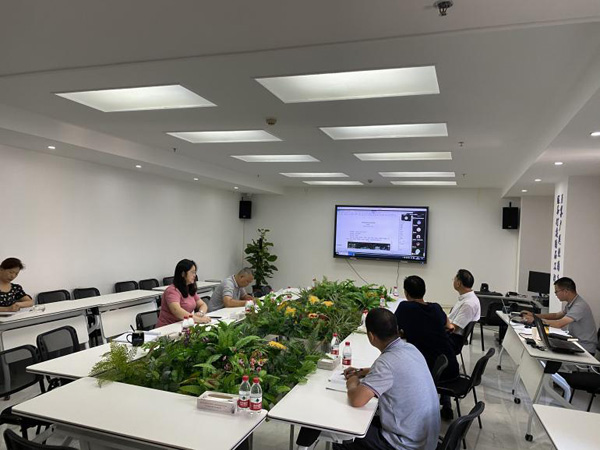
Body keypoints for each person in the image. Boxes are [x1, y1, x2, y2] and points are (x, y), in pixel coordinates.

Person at [333, 308, 440, 450]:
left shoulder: (385, 363)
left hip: (404, 444)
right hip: (425, 439)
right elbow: (397, 371)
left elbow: (357, 400)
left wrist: (352, 383)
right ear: (396, 329)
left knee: (342, 433)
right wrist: (361, 372)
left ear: (371, 336)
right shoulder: (410, 348)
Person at [395, 275, 460, 381]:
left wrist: (404, 332)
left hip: (431, 373)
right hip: (451, 366)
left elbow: (393, 332)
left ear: (406, 293)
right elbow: (449, 326)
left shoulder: (405, 307)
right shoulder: (436, 307)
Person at [521, 277, 598, 354]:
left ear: (565, 291)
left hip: (585, 348)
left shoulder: (579, 306)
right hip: (575, 342)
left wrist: (534, 320)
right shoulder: (572, 303)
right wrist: (534, 315)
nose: (555, 294)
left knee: (548, 352)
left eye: (556, 292)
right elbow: (556, 315)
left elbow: (558, 324)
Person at [156, 259, 210, 328]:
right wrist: (198, 319)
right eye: (192, 272)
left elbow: (202, 304)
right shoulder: (172, 290)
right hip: (167, 328)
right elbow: (177, 311)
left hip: (183, 325)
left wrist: (201, 313)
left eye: (195, 272)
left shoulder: (189, 288)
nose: (194, 275)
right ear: (183, 274)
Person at [447, 269, 481, 353]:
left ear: (458, 283)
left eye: (454, 279)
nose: (453, 281)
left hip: (453, 339)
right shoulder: (467, 298)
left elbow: (453, 328)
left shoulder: (469, 304)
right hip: (451, 334)